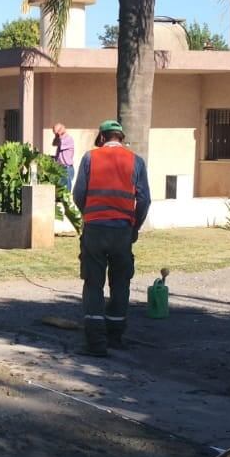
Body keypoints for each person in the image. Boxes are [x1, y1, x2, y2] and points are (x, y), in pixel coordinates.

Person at [71, 119, 151, 356]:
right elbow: (144, 199)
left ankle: (95, 342)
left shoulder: (90, 158)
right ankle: (115, 335)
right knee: (120, 282)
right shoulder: (136, 161)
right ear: (121, 138)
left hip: (95, 229)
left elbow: (78, 194)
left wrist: (89, 214)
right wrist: (134, 226)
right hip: (122, 231)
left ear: (102, 138)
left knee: (93, 283)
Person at [51, 123, 76, 188]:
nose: (56, 135)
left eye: (56, 133)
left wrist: (58, 135)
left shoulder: (68, 139)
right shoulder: (60, 139)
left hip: (67, 168)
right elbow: (53, 143)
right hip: (61, 168)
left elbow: (57, 143)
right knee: (60, 189)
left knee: (66, 191)